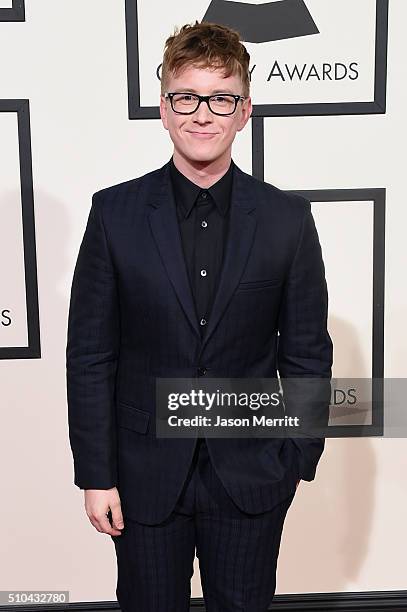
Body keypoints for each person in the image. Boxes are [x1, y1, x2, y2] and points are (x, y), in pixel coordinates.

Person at [66, 21, 333, 612]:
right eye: (186, 97)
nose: (202, 114)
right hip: (141, 477)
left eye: (221, 98)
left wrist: (298, 459)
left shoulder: (288, 220)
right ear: (164, 108)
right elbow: (90, 355)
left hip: (252, 475)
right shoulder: (114, 214)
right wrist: (96, 474)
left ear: (244, 111)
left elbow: (308, 352)